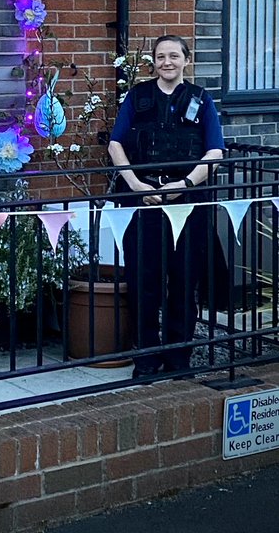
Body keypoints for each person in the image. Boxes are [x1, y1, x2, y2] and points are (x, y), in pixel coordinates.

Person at [107, 34, 224, 378]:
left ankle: (178, 358)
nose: (167, 62)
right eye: (160, 56)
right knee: (144, 283)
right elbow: (115, 144)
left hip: (187, 205)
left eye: (174, 55)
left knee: (184, 282)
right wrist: (136, 184)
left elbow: (214, 152)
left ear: (187, 60)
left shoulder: (202, 100)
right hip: (143, 203)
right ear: (154, 62)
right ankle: (146, 359)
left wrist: (184, 185)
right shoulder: (138, 96)